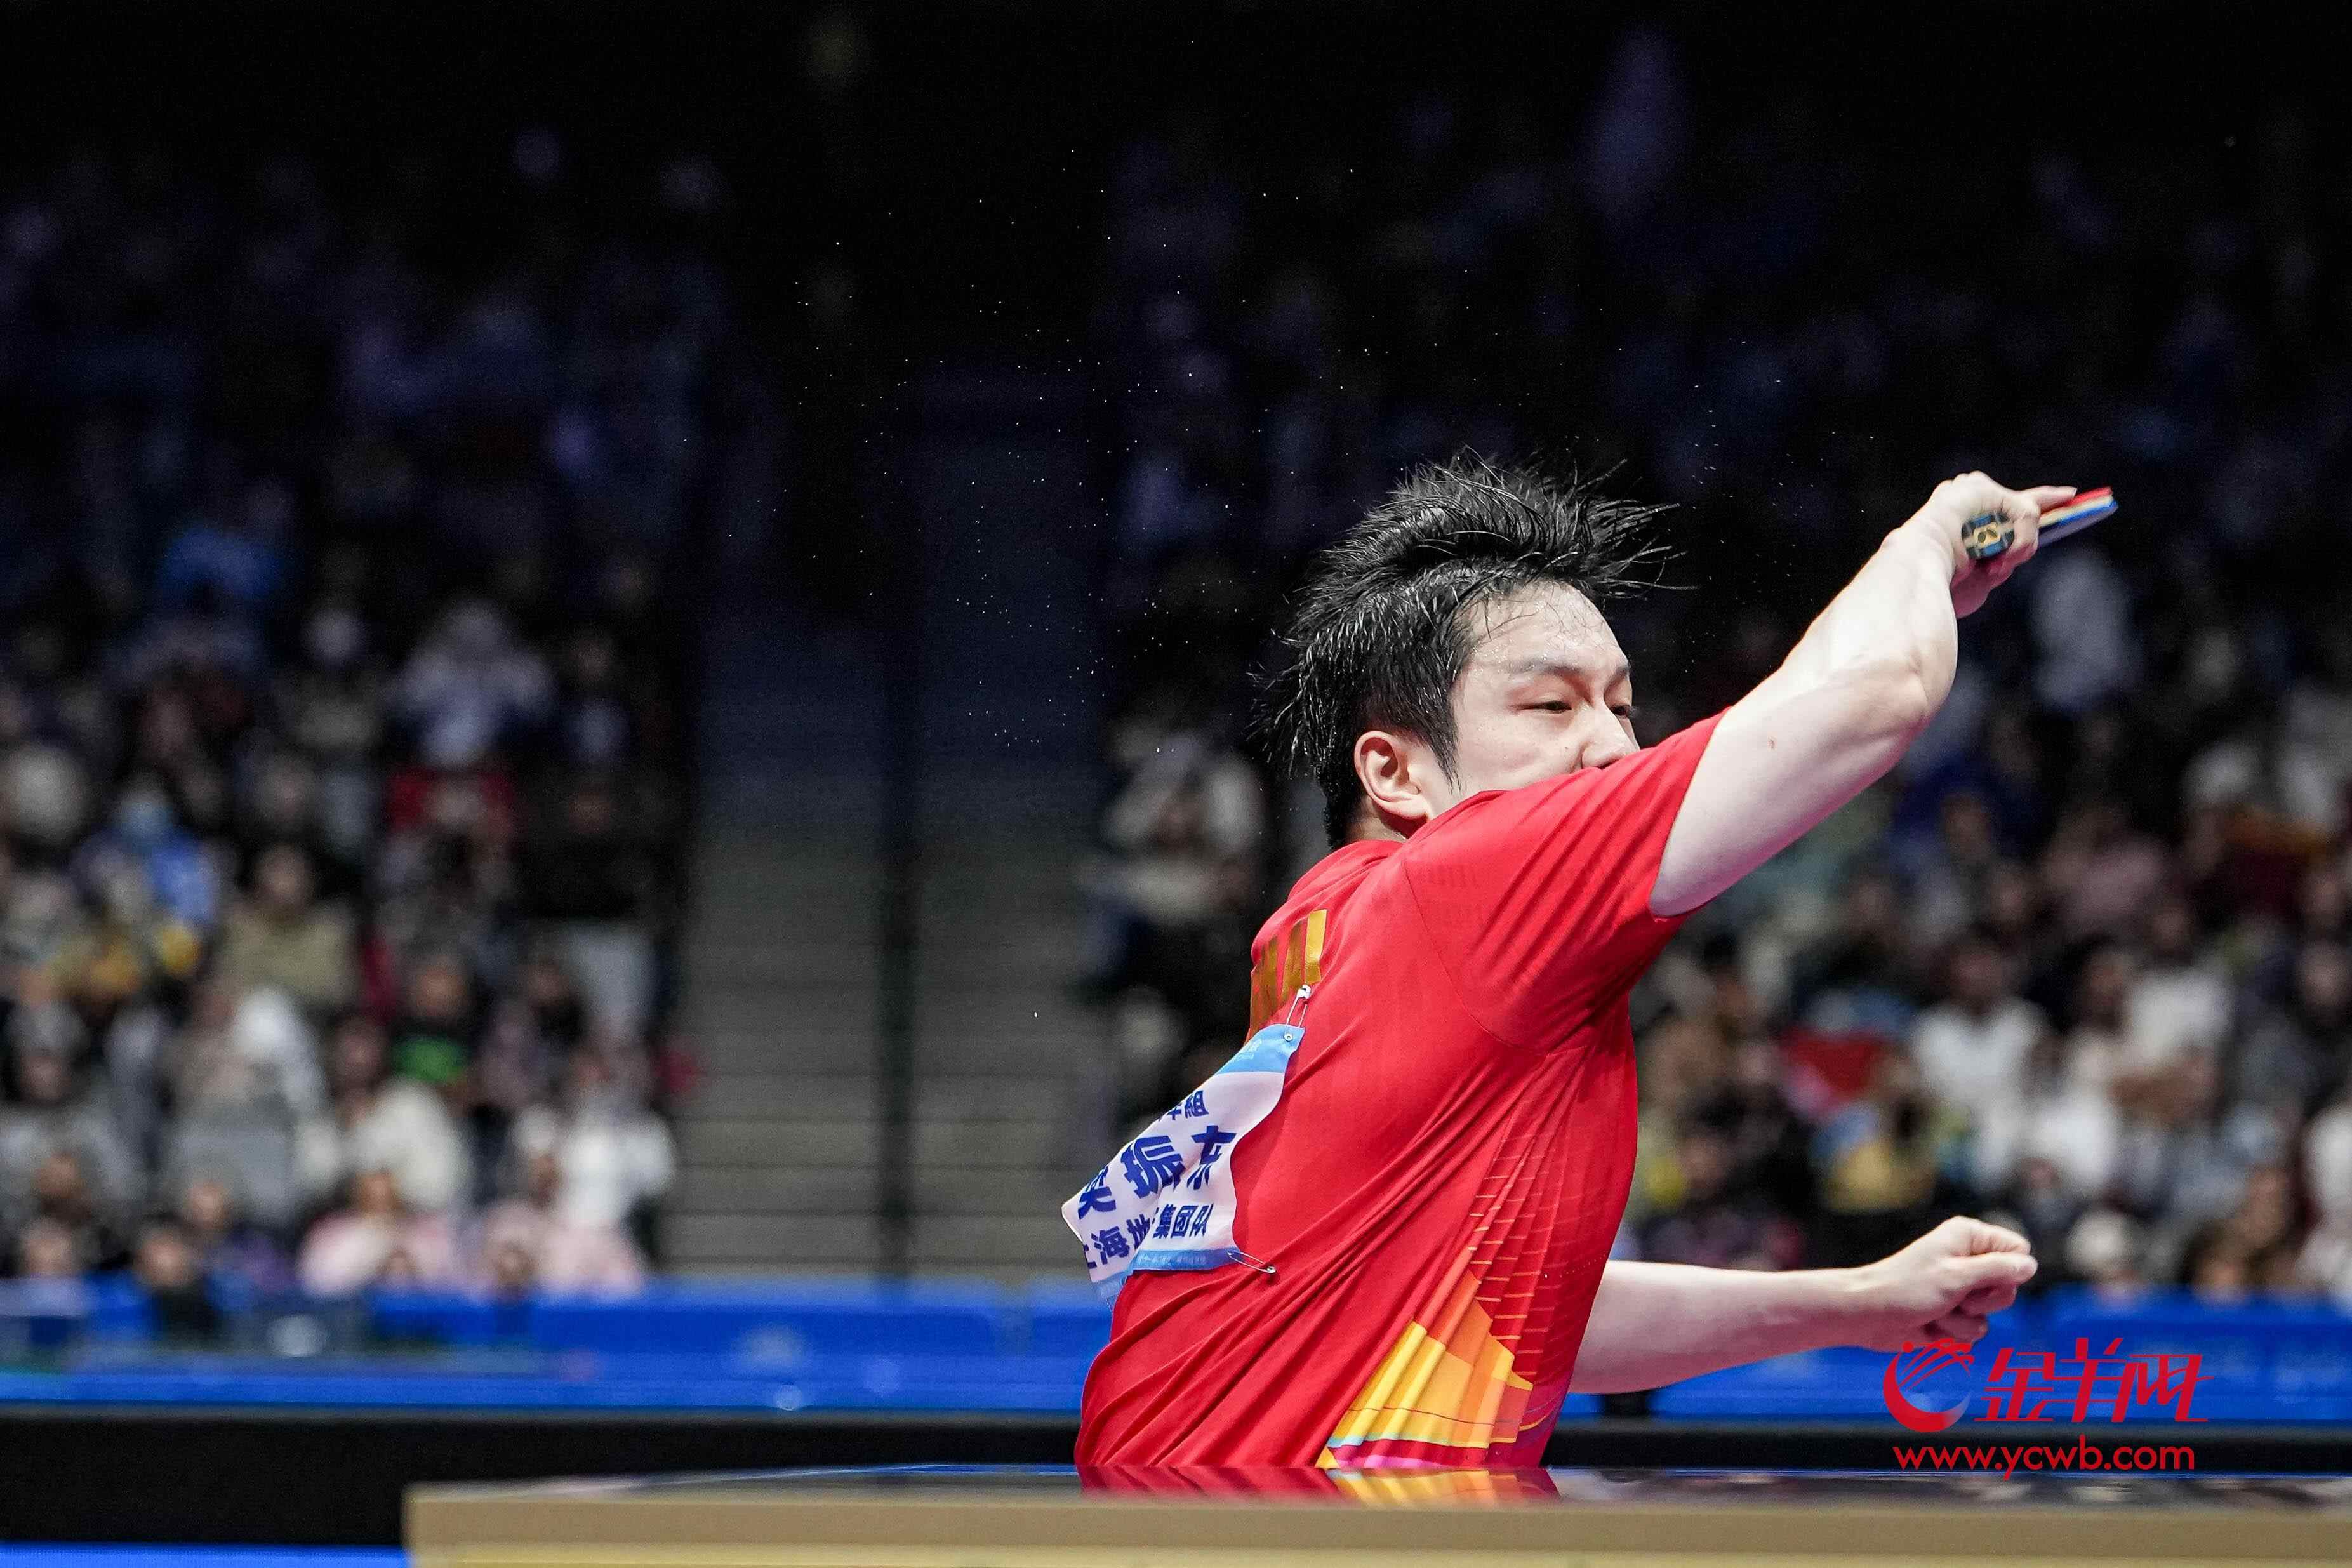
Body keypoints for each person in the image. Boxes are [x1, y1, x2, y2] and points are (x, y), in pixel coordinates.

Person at [1072, 458, 2054, 1467]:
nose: (1613, 749)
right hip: (1276, 1522)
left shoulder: (1323, 933)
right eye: (1551, 705)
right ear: (1394, 770)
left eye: (1622, 708)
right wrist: (1929, 537)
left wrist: (1859, 1301)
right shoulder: (1464, 882)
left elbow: (1514, 1313)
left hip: (1202, 1500)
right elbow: (1875, 695)